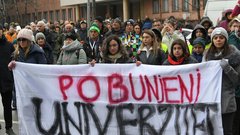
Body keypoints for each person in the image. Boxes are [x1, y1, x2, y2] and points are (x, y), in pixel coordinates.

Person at [203, 27, 240, 135]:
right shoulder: (207, 55)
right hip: (211, 100)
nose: (218, 40)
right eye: (216, 38)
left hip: (227, 102)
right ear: (212, 40)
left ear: (226, 39)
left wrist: (227, 68)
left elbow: (237, 80)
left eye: (221, 37)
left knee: (227, 131)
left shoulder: (235, 55)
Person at [0, 25, 16, 135]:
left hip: (6, 80)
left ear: (2, 31)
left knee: (7, 106)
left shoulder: (9, 45)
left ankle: (9, 127)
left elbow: (15, 61)